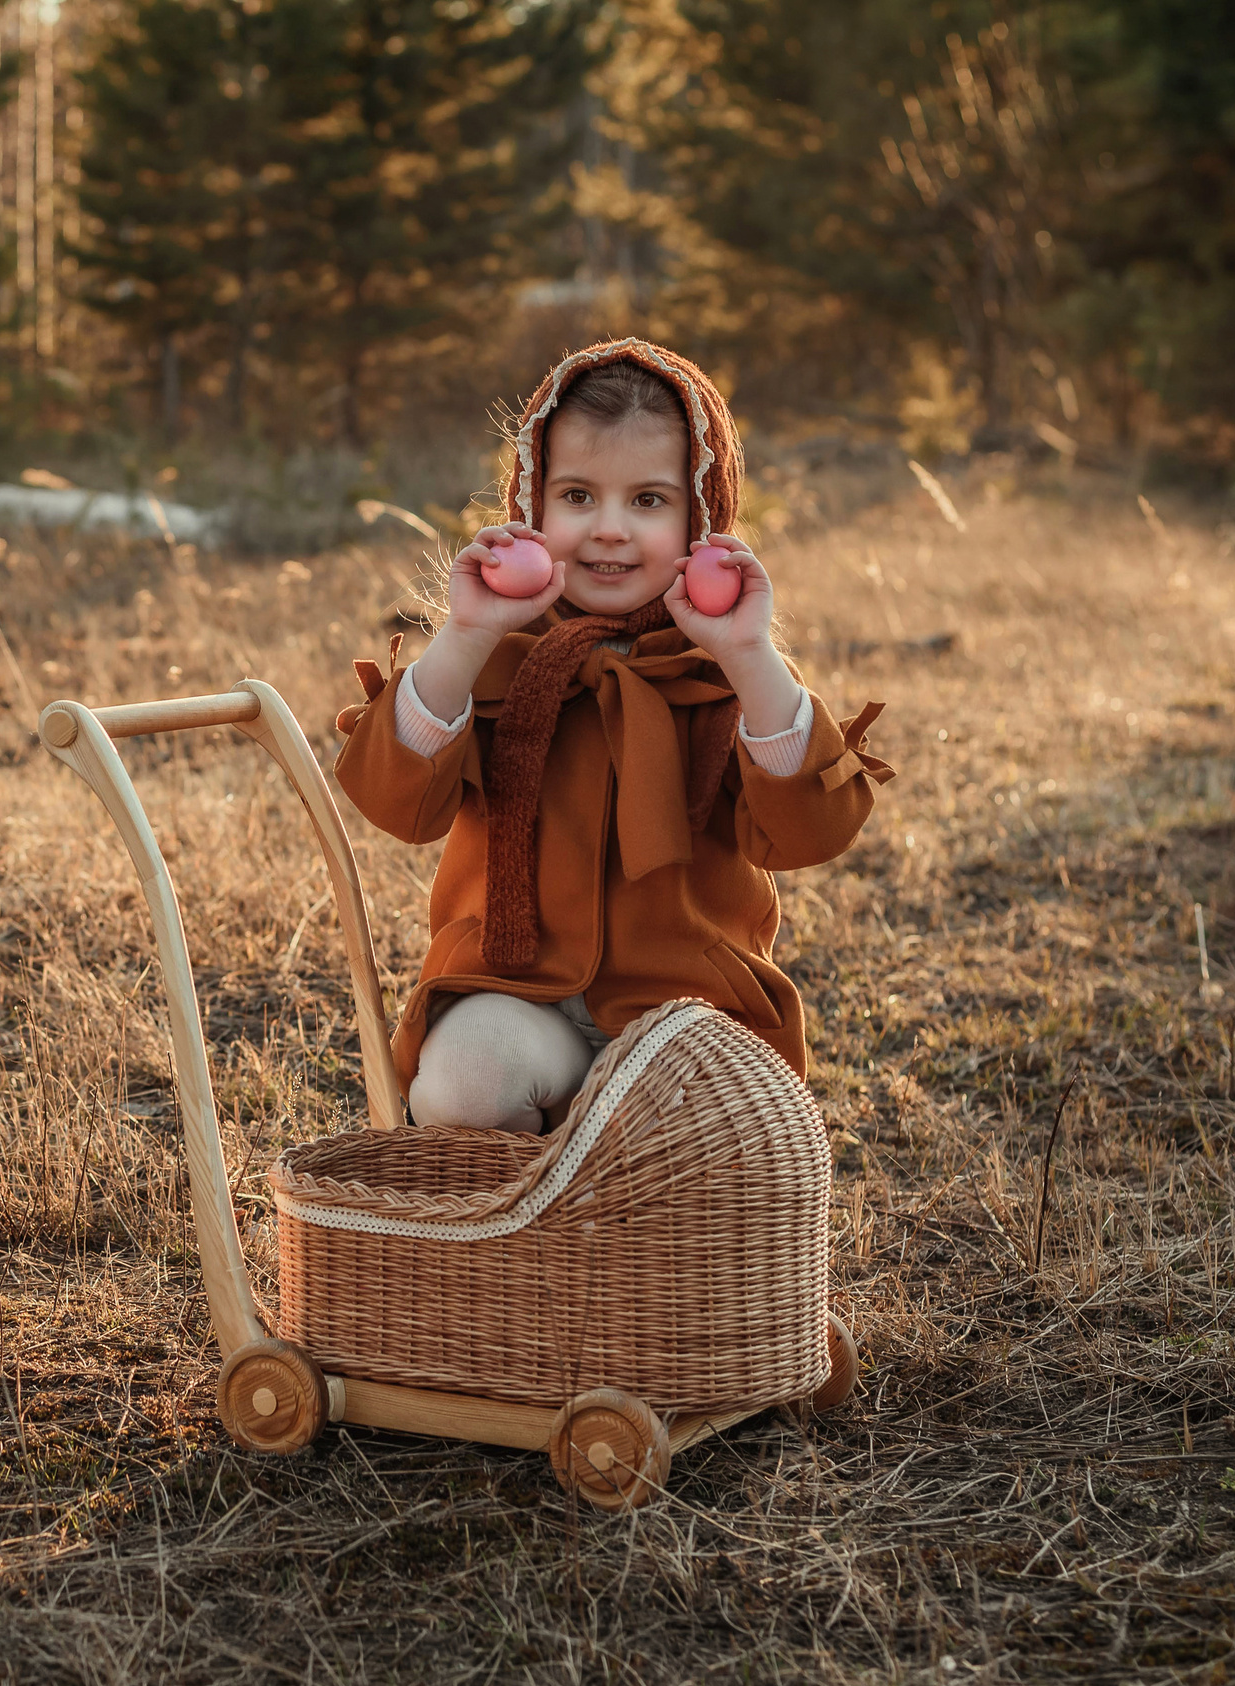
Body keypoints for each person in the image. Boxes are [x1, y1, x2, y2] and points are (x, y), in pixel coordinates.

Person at [333, 337, 894, 1133]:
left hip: (676, 1017)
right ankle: (511, 1237)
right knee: (463, 1081)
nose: (609, 530)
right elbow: (398, 806)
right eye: (577, 497)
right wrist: (464, 635)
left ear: (703, 517)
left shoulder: (726, 674)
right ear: (530, 507)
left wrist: (749, 655)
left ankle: (614, 1226)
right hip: (517, 997)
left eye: (649, 501)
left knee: (705, 1116)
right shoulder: (495, 660)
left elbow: (811, 831)